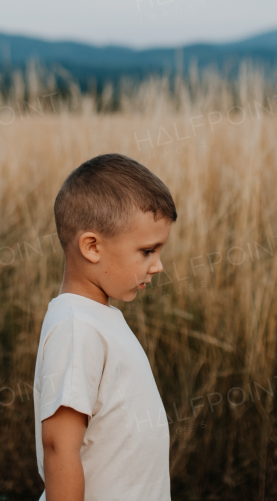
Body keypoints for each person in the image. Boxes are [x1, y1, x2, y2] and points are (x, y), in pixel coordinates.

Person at [33, 153, 177, 501]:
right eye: (147, 251)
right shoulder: (76, 327)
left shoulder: (98, 318)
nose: (157, 266)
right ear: (92, 247)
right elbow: (59, 448)